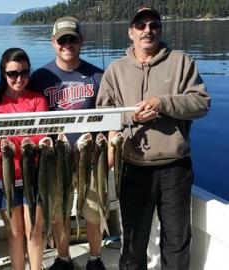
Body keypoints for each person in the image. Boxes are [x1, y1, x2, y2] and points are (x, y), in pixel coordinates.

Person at [96, 7, 211, 270]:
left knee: (176, 240)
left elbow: (201, 103)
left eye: (154, 24)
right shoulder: (116, 70)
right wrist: (131, 119)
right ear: (130, 33)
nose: (147, 30)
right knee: (134, 242)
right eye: (140, 25)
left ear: (160, 29)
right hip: (132, 168)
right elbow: (105, 115)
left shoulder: (182, 62)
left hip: (175, 168)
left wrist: (162, 103)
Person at [30, 16, 106, 270]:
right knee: (57, 211)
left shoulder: (97, 75)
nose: (67, 44)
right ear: (53, 43)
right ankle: (64, 259)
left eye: (72, 39)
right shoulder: (40, 77)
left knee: (93, 211)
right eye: (62, 40)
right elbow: (29, 113)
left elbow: (110, 116)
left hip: (89, 157)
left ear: (81, 41)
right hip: (54, 158)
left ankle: (95, 258)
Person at [0, 47, 49, 270]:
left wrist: (2, 137)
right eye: (13, 74)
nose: (19, 78)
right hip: (2, 178)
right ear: (3, 73)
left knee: (35, 231)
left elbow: (40, 135)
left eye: (24, 72)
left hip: (34, 175)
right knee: (15, 233)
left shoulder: (38, 99)